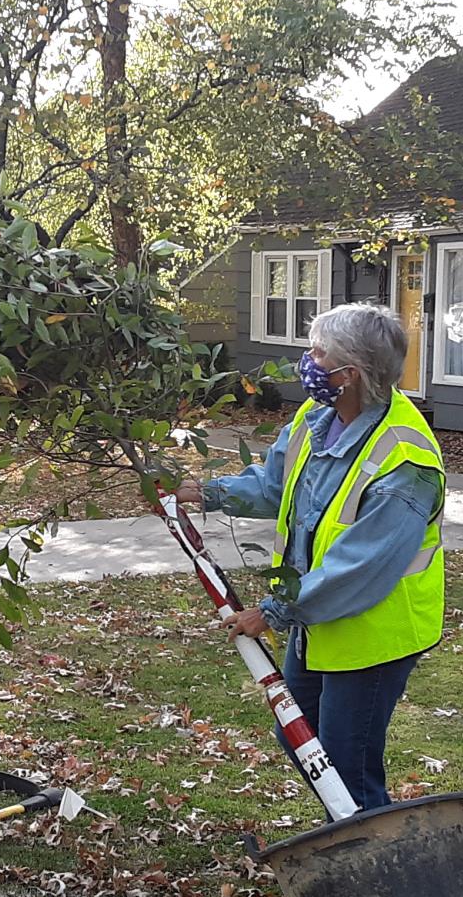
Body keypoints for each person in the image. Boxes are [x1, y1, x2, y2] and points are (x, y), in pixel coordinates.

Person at [176, 302, 444, 813]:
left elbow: (358, 568)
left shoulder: (405, 464)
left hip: (373, 635)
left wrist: (272, 612)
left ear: (352, 373)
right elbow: (277, 485)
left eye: (319, 354)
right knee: (301, 740)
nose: (309, 361)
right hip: (319, 623)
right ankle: (349, 838)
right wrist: (202, 491)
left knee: (346, 764)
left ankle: (379, 868)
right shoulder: (319, 417)